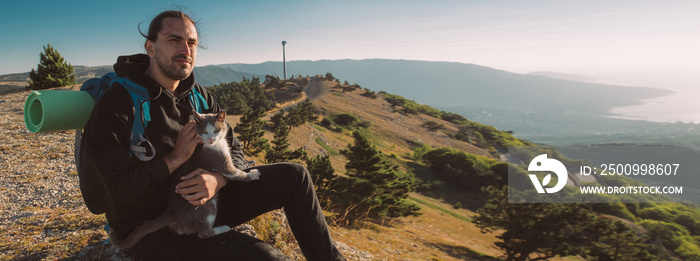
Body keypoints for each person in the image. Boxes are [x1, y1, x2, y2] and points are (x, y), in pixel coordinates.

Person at [78, 10, 345, 261]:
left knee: (296, 176)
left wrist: (218, 179)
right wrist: (174, 160)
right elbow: (98, 197)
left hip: (207, 202)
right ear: (150, 47)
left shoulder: (199, 95)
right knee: (266, 257)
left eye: (192, 43)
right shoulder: (120, 102)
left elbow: (235, 150)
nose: (186, 50)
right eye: (174, 40)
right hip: (155, 224)